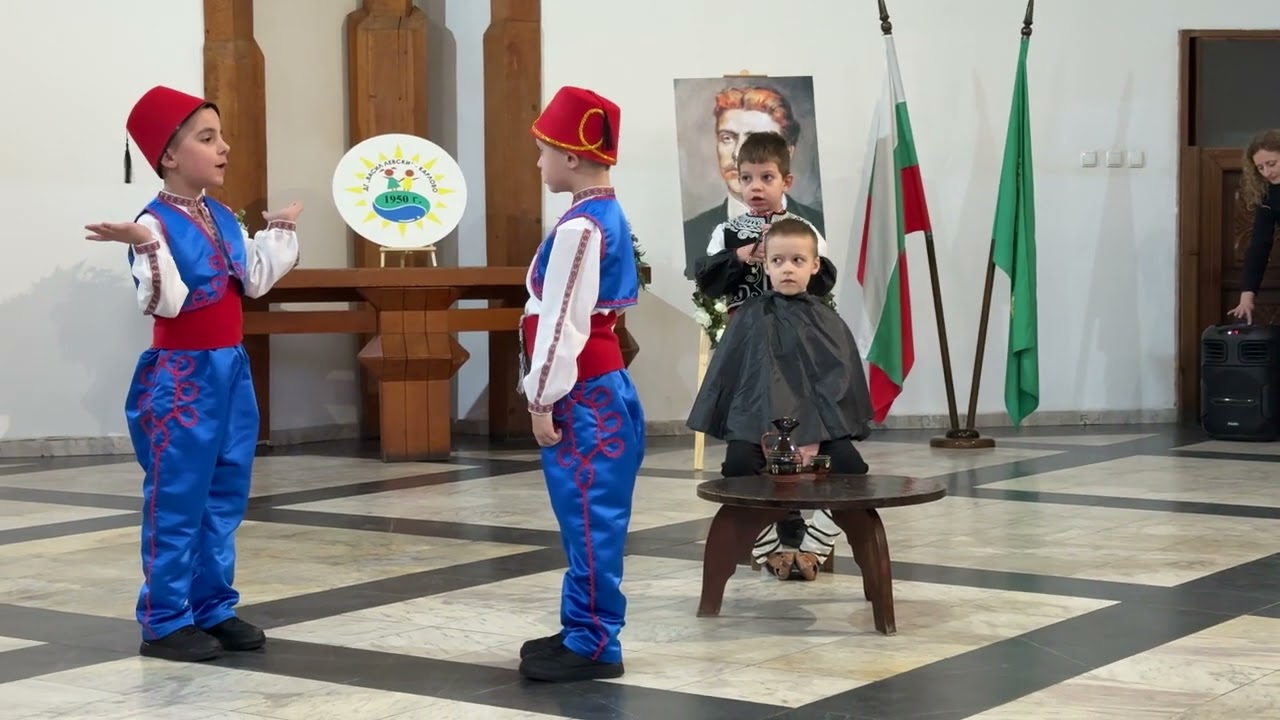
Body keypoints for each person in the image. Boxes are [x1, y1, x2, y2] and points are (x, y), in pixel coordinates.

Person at [84, 86, 301, 662]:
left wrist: (278, 232)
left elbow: (252, 279)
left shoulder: (222, 216)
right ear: (169, 156)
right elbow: (167, 302)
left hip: (230, 368)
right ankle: (164, 618)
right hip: (182, 376)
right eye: (207, 138)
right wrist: (145, 247)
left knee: (225, 491)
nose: (223, 147)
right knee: (178, 496)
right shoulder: (151, 224)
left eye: (220, 136)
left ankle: (212, 606)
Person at [515, 86, 645, 683]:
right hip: (600, 389)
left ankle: (594, 641)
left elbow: (561, 321)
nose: (539, 162)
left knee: (590, 518)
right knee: (587, 517)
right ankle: (582, 626)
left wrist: (541, 397)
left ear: (570, 156)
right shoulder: (601, 215)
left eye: (543, 151)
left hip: (584, 396)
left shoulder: (581, 228)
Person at [687, 218, 873, 581]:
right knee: (738, 467)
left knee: (852, 468)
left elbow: (838, 382)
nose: (787, 269)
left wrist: (816, 429)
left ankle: (814, 546)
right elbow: (737, 384)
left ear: (815, 265)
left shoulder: (827, 322)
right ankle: (769, 548)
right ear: (766, 265)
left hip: (818, 428)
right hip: (757, 426)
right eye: (778, 261)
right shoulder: (748, 319)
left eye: (797, 260)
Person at [693, 131, 836, 313]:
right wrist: (739, 255)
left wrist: (791, 250)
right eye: (746, 178)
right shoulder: (726, 232)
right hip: (744, 326)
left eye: (767, 177)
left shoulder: (805, 231)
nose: (756, 187)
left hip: (793, 323)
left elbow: (822, 283)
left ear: (786, 182)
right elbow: (708, 281)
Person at [1228, 129, 1280, 324]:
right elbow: (1259, 246)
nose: (1267, 172)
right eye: (1260, 168)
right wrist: (1246, 297)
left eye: (1271, 164)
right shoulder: (1268, 196)